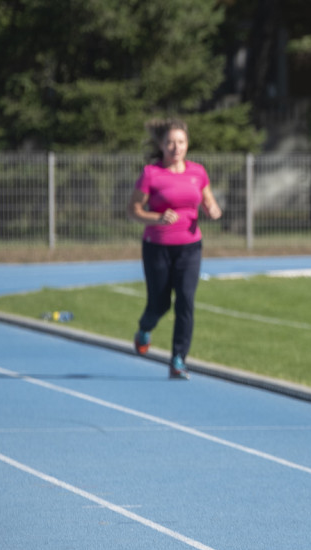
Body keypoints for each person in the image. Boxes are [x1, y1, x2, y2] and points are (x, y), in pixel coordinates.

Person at [126, 118, 222, 380]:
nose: (175, 147)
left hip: (190, 247)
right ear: (161, 145)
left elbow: (208, 201)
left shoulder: (198, 172)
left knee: (186, 302)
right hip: (157, 247)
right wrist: (156, 218)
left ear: (187, 144)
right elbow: (133, 210)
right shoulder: (151, 174)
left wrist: (213, 210)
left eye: (180, 142)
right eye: (170, 142)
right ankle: (145, 328)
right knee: (159, 304)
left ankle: (178, 359)